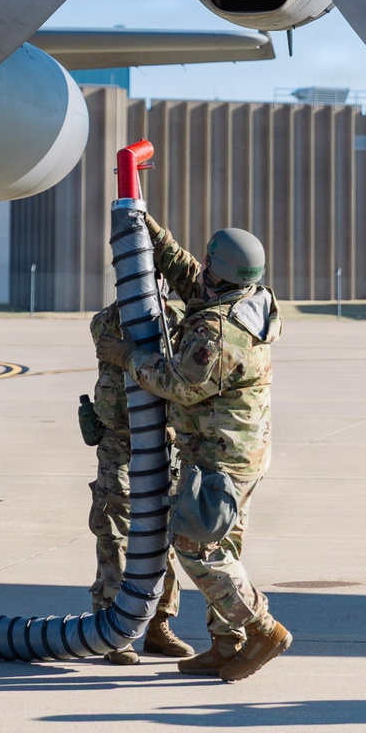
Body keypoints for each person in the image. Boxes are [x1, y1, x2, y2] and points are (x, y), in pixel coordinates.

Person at [95, 214, 290, 682]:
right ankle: (227, 644)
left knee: (197, 548)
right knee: (224, 543)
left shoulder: (216, 334)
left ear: (215, 269)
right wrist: (147, 226)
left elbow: (177, 385)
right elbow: (185, 269)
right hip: (239, 452)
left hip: (219, 457)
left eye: (205, 263)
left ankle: (261, 628)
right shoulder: (246, 298)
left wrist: (124, 355)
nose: (195, 269)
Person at [87, 297, 193, 664]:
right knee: (114, 529)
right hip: (118, 440)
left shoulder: (179, 323)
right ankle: (114, 625)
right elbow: (105, 336)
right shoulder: (109, 320)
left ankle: (158, 624)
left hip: (162, 441)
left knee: (166, 535)